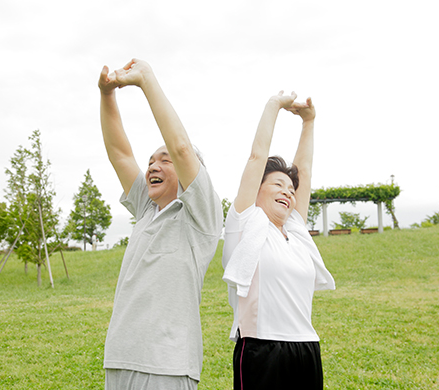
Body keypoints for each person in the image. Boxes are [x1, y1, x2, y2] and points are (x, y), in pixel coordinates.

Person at [98, 58, 223, 390]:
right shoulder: (145, 208)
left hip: (166, 366)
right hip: (120, 358)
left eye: (164, 160)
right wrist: (106, 94)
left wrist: (146, 80)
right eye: (151, 160)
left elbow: (182, 148)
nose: (153, 165)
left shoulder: (200, 218)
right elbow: (120, 153)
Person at [222, 91, 335, 389]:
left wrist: (309, 122)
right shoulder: (245, 222)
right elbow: (257, 157)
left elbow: (304, 173)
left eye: (291, 189)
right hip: (262, 348)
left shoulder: (296, 230)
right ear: (257, 189)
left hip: (307, 347)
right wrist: (274, 105)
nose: (288, 191)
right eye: (277, 184)